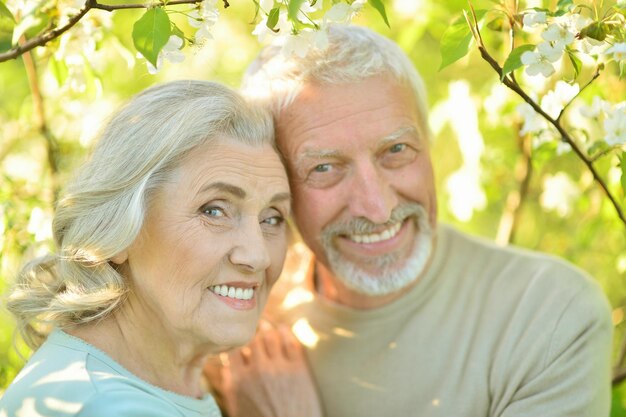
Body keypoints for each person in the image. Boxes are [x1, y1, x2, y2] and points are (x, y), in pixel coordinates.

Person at [206, 24, 613, 417]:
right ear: (276, 185)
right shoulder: (234, 316)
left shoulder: (547, 316)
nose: (377, 207)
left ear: (429, 145)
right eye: (326, 168)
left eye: (396, 149)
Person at [0, 80, 293, 417]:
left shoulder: (145, 384)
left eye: (272, 218)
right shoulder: (106, 407)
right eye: (214, 210)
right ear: (117, 230)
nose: (258, 256)